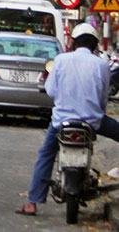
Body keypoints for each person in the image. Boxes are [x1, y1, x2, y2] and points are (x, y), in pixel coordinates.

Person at [16, 23, 119, 216]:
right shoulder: (102, 65)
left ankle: (32, 203)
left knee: (46, 155)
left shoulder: (61, 60)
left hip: (61, 123)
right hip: (93, 122)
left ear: (72, 42)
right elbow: (103, 97)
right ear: (96, 44)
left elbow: (51, 90)